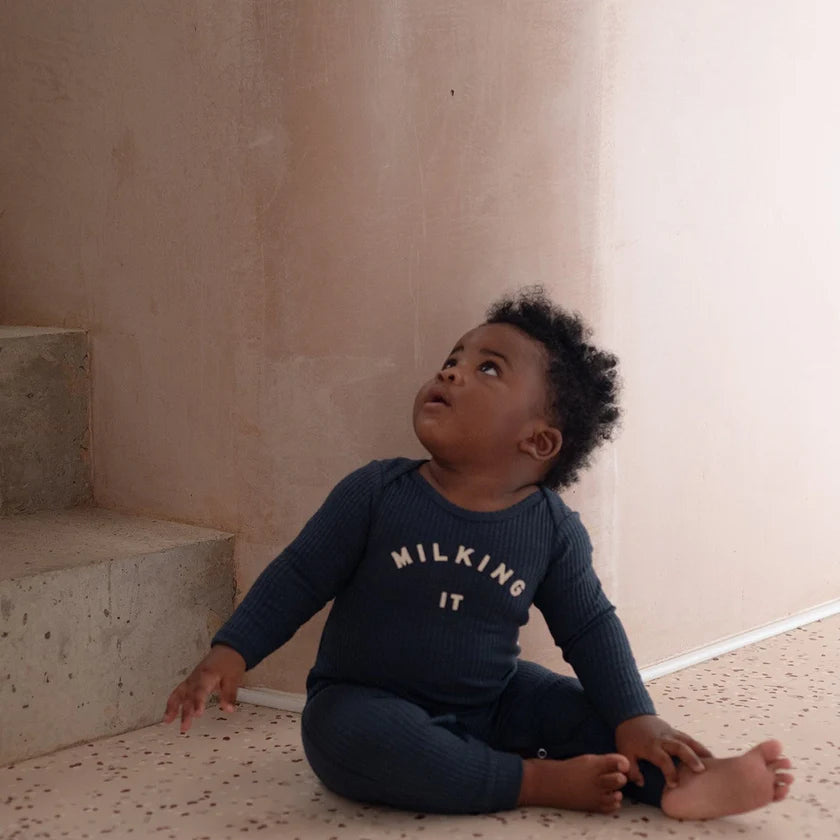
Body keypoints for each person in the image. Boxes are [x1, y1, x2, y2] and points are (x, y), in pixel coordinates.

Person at [165, 287, 794, 819]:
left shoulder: (550, 528)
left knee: (583, 711)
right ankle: (533, 782)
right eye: (453, 359)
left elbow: (591, 626)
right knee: (345, 738)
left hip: (493, 701)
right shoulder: (377, 493)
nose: (450, 370)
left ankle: (682, 782)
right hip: (365, 697)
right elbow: (299, 575)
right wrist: (232, 650)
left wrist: (635, 713)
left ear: (539, 440)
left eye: (487, 368)